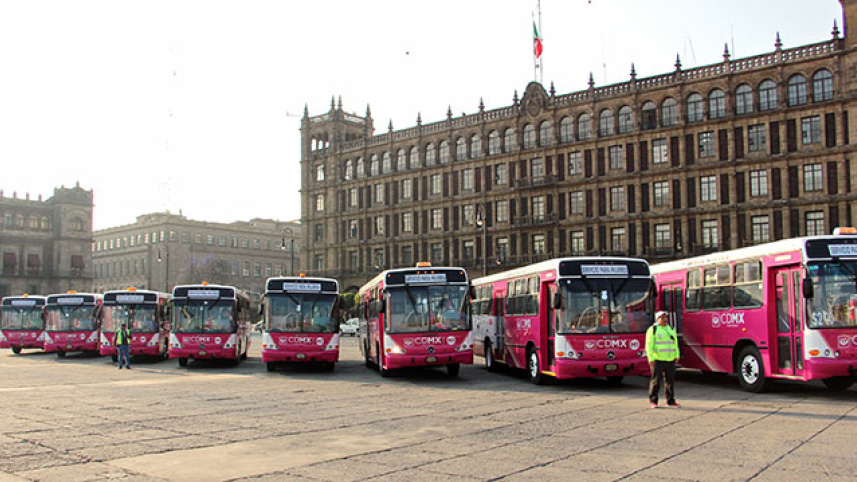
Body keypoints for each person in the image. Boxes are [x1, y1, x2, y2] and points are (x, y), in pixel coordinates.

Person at [645, 311, 679, 408]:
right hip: (658, 359)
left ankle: (670, 401)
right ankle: (653, 401)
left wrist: (677, 355)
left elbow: (675, 343)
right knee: (656, 381)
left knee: (670, 381)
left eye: (666, 318)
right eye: (662, 318)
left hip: (670, 359)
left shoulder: (671, 329)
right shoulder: (653, 330)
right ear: (657, 319)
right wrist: (651, 358)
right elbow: (649, 345)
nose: (665, 320)